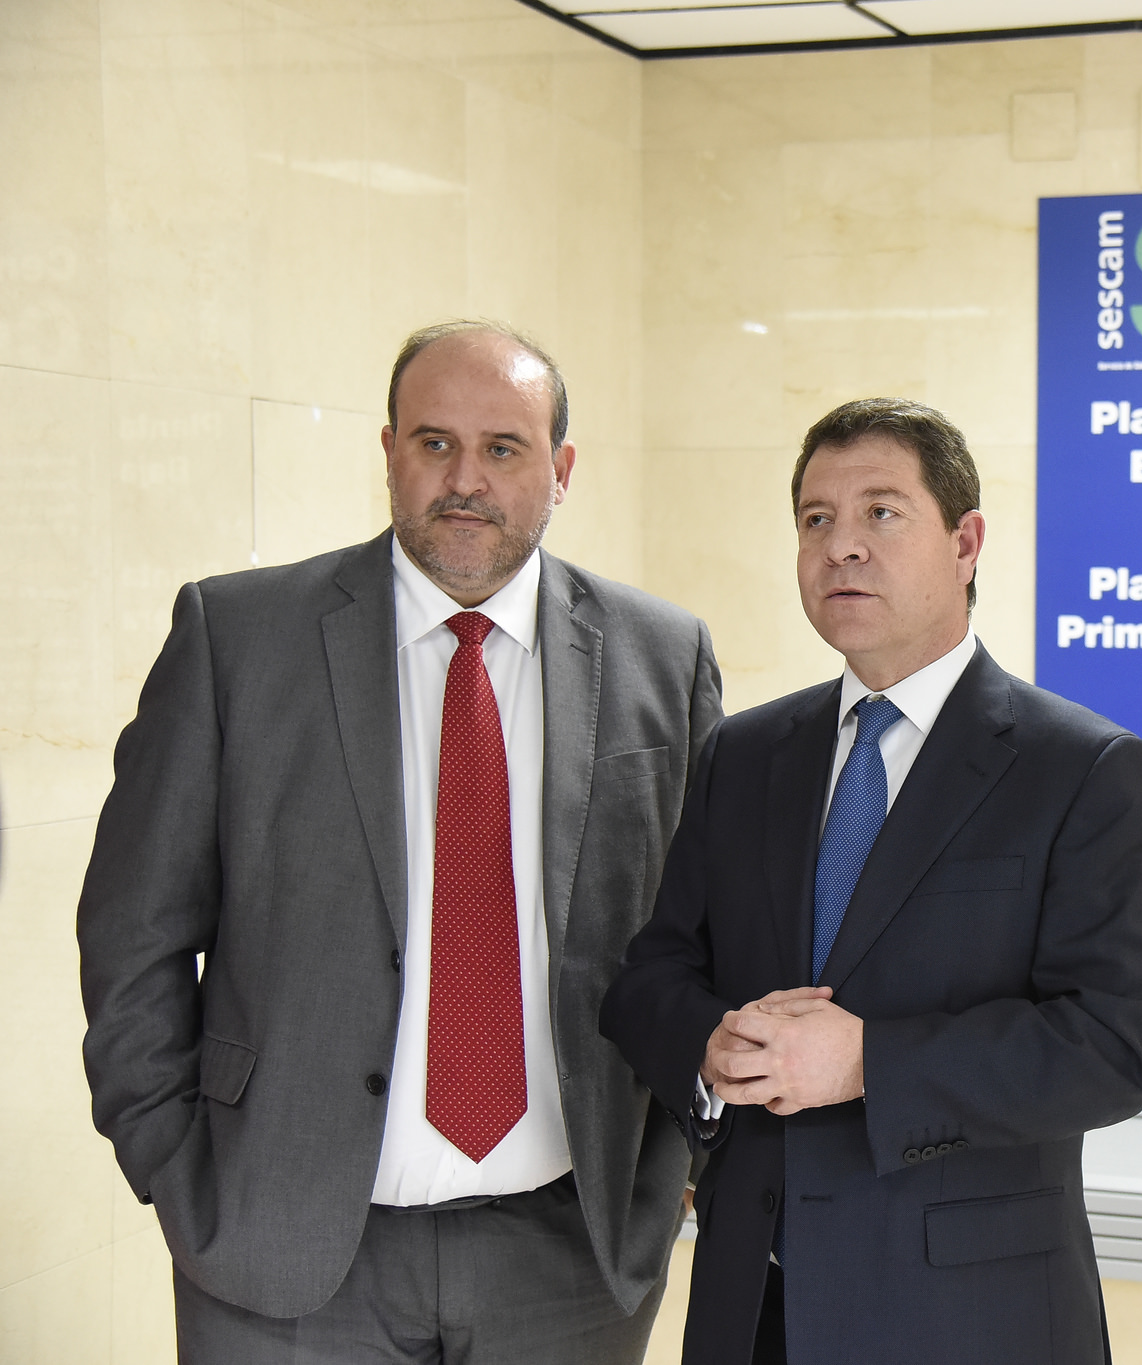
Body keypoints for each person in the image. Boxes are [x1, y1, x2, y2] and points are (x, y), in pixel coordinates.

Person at [78, 320, 720, 1362]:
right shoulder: (237, 638)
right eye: (433, 444)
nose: (464, 480)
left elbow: (704, 925)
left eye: (503, 450)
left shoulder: (661, 653)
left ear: (560, 471)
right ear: (388, 452)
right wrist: (173, 1165)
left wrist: (685, 1148)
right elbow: (133, 932)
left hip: (570, 1263)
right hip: (278, 1259)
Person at [600, 397, 1142, 1365]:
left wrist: (869, 1060)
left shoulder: (1078, 769)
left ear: (965, 542)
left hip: (964, 1320)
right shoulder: (744, 754)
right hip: (755, 1308)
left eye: (880, 512)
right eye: (815, 520)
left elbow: (1111, 1045)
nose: (841, 547)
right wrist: (710, 1043)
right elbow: (652, 974)